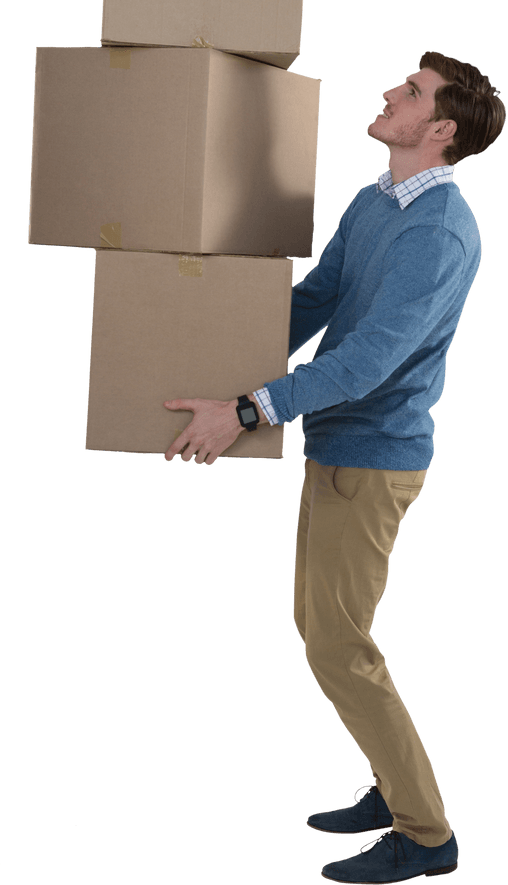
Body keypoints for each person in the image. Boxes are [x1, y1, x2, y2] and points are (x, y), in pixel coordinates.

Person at [163, 50, 505, 883]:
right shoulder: (378, 200)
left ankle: (427, 836)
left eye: (413, 92)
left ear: (442, 129)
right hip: (337, 452)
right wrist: (203, 331)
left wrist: (245, 410)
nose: (391, 93)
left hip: (375, 461)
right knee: (319, 629)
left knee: (338, 648)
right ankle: (395, 788)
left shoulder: (439, 233)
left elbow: (367, 364)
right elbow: (318, 300)